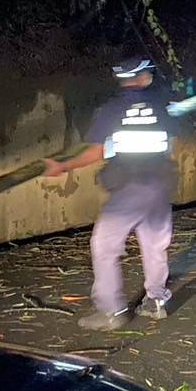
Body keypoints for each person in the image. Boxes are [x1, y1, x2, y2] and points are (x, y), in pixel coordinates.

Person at [43, 56, 177, 330]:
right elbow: (170, 140)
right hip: (160, 183)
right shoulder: (164, 105)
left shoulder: (112, 110)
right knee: (154, 244)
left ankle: (111, 311)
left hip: (130, 186)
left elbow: (97, 150)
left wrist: (63, 166)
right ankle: (156, 300)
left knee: (104, 246)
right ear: (143, 78)